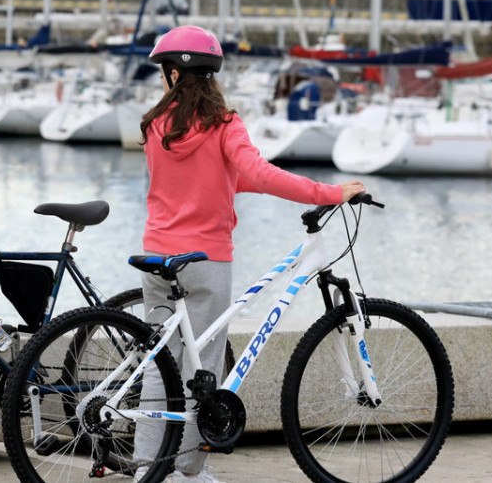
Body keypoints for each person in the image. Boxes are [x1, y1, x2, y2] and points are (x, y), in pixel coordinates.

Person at [132, 25, 365, 483]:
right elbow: (257, 171)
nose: (162, 79)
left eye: (164, 72)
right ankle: (188, 471)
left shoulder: (157, 126)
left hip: (157, 256)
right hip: (205, 260)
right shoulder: (223, 124)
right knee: (205, 368)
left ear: (176, 75)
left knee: (161, 368)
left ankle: (147, 472)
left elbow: (210, 180)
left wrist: (234, 182)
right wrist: (330, 192)